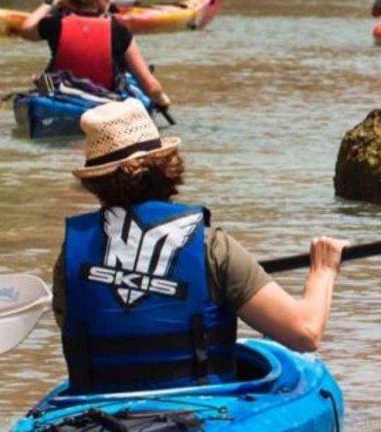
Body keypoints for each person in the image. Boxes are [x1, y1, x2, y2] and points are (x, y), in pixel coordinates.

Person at [53, 99, 347, 393]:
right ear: (169, 166)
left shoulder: (72, 256)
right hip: (198, 412)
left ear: (95, 182)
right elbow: (305, 332)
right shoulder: (212, 248)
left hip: (91, 413)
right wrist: (323, 268)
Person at [15, 0, 172, 113]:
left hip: (60, 99)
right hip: (103, 104)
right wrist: (162, 100)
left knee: (46, 81)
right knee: (130, 81)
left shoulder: (56, 24)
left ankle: (50, 90)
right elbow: (151, 87)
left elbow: (25, 29)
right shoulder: (118, 30)